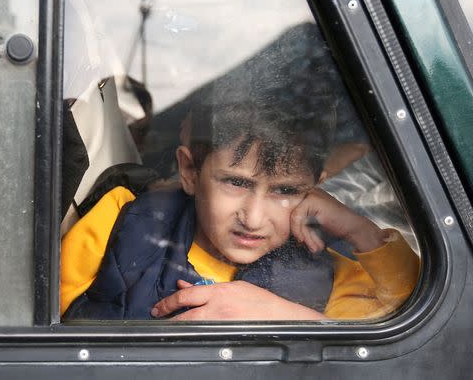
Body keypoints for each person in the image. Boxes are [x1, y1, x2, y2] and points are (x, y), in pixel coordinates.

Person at [60, 96, 420, 321]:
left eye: (285, 191)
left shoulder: (328, 269)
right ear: (189, 171)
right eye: (236, 182)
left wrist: (360, 231)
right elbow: (47, 327)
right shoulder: (121, 221)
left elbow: (411, 318)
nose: (253, 217)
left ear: (314, 191)